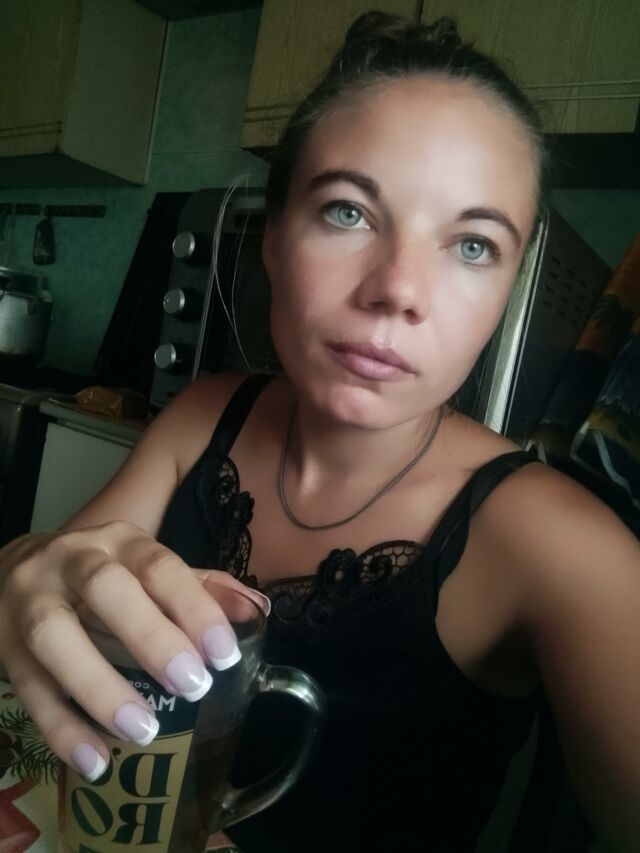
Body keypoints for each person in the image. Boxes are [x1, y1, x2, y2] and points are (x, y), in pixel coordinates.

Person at [1, 11, 639, 853]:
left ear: (507, 289)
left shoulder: (567, 548)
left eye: (473, 245)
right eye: (347, 211)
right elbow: (51, 615)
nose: (398, 288)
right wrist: (21, 568)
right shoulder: (203, 416)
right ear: (272, 238)